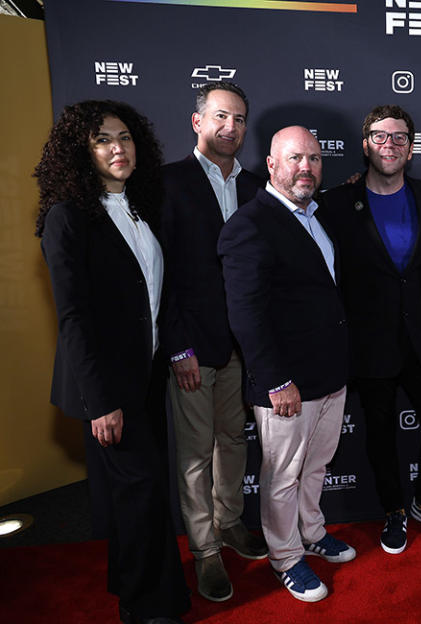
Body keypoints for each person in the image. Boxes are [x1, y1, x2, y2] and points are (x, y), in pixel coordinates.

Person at [35, 100, 190, 623]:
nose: (117, 148)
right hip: (104, 385)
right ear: (83, 151)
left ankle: (131, 583)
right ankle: (150, 608)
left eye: (124, 137)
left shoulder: (142, 207)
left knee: (138, 493)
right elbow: (73, 317)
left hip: (144, 375)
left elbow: (153, 296)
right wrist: (101, 402)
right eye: (103, 139)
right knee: (142, 491)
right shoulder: (67, 217)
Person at [218, 126, 355, 602]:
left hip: (330, 374)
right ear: (271, 165)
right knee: (283, 474)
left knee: (316, 466)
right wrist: (277, 381)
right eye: (295, 158)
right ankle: (286, 557)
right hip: (287, 384)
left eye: (315, 159)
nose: (306, 167)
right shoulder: (249, 224)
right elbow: (246, 315)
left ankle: (312, 534)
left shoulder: (317, 217)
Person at [324, 105, 421, 554]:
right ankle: (394, 511)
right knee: (380, 438)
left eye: (400, 137)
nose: (390, 145)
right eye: (380, 137)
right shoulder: (338, 203)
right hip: (370, 343)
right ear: (365, 145)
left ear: (412, 147)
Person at [160, 81, 266, 603]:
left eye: (241, 119)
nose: (232, 127)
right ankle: (205, 552)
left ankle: (229, 524)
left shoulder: (254, 187)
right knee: (195, 456)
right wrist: (178, 347)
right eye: (221, 116)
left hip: (240, 346)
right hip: (192, 350)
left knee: (234, 443)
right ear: (197, 121)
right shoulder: (167, 183)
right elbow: (160, 275)